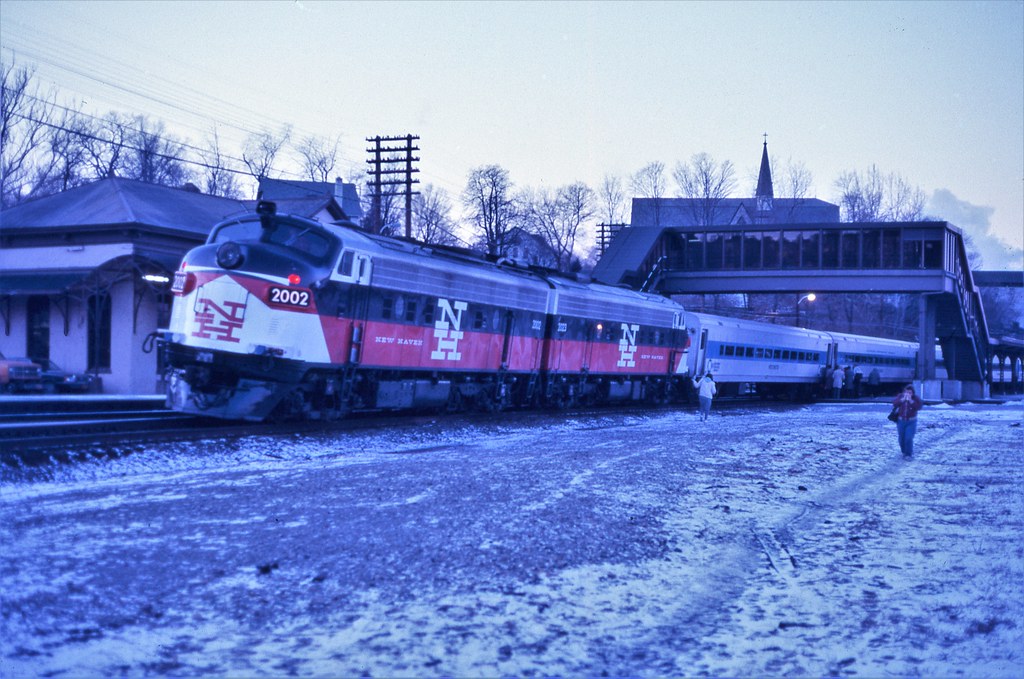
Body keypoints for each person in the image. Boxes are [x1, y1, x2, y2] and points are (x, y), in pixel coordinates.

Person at [892, 383, 924, 459]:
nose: (907, 394)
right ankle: (904, 451)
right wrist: (901, 400)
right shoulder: (901, 396)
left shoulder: (915, 398)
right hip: (901, 421)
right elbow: (894, 403)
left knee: (909, 437)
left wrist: (911, 401)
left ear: (912, 393)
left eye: (910, 392)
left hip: (911, 422)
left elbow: (919, 407)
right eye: (906, 392)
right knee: (901, 438)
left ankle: (908, 454)